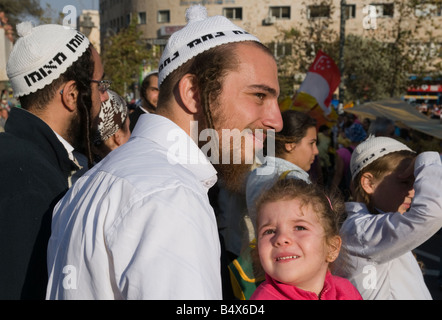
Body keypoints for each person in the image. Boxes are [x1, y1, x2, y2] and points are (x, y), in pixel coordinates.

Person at [46, 5, 283, 300]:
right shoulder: (169, 194)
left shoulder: (94, 181)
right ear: (194, 93)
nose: (277, 120)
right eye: (259, 95)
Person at [0, 21, 108, 299]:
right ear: (72, 95)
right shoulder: (28, 181)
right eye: (101, 85)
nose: (105, 97)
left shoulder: (31, 158)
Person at [336, 135, 442, 299]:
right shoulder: (359, 231)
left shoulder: (367, 226)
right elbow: (433, 211)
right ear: (369, 184)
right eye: (405, 183)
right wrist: (427, 159)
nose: (412, 192)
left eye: (415, 183)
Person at [250, 178, 362, 300]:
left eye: (299, 228)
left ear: (332, 247)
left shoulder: (346, 291)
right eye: (269, 231)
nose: (281, 238)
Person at [246, 110, 318, 232]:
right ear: (290, 145)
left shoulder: (256, 173)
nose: (316, 151)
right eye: (311, 143)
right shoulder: (294, 179)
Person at [93, 90, 131, 161]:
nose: (131, 135)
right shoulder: (128, 169)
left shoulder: (80, 166)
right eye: (128, 128)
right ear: (117, 136)